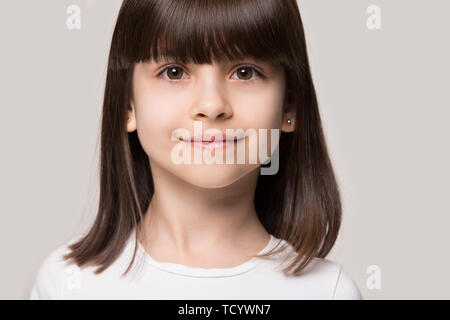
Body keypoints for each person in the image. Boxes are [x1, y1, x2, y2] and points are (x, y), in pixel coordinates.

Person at [29, 0, 363, 299]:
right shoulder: (67, 284)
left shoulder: (327, 292)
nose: (211, 104)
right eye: (174, 72)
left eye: (245, 72)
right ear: (126, 106)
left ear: (289, 105)